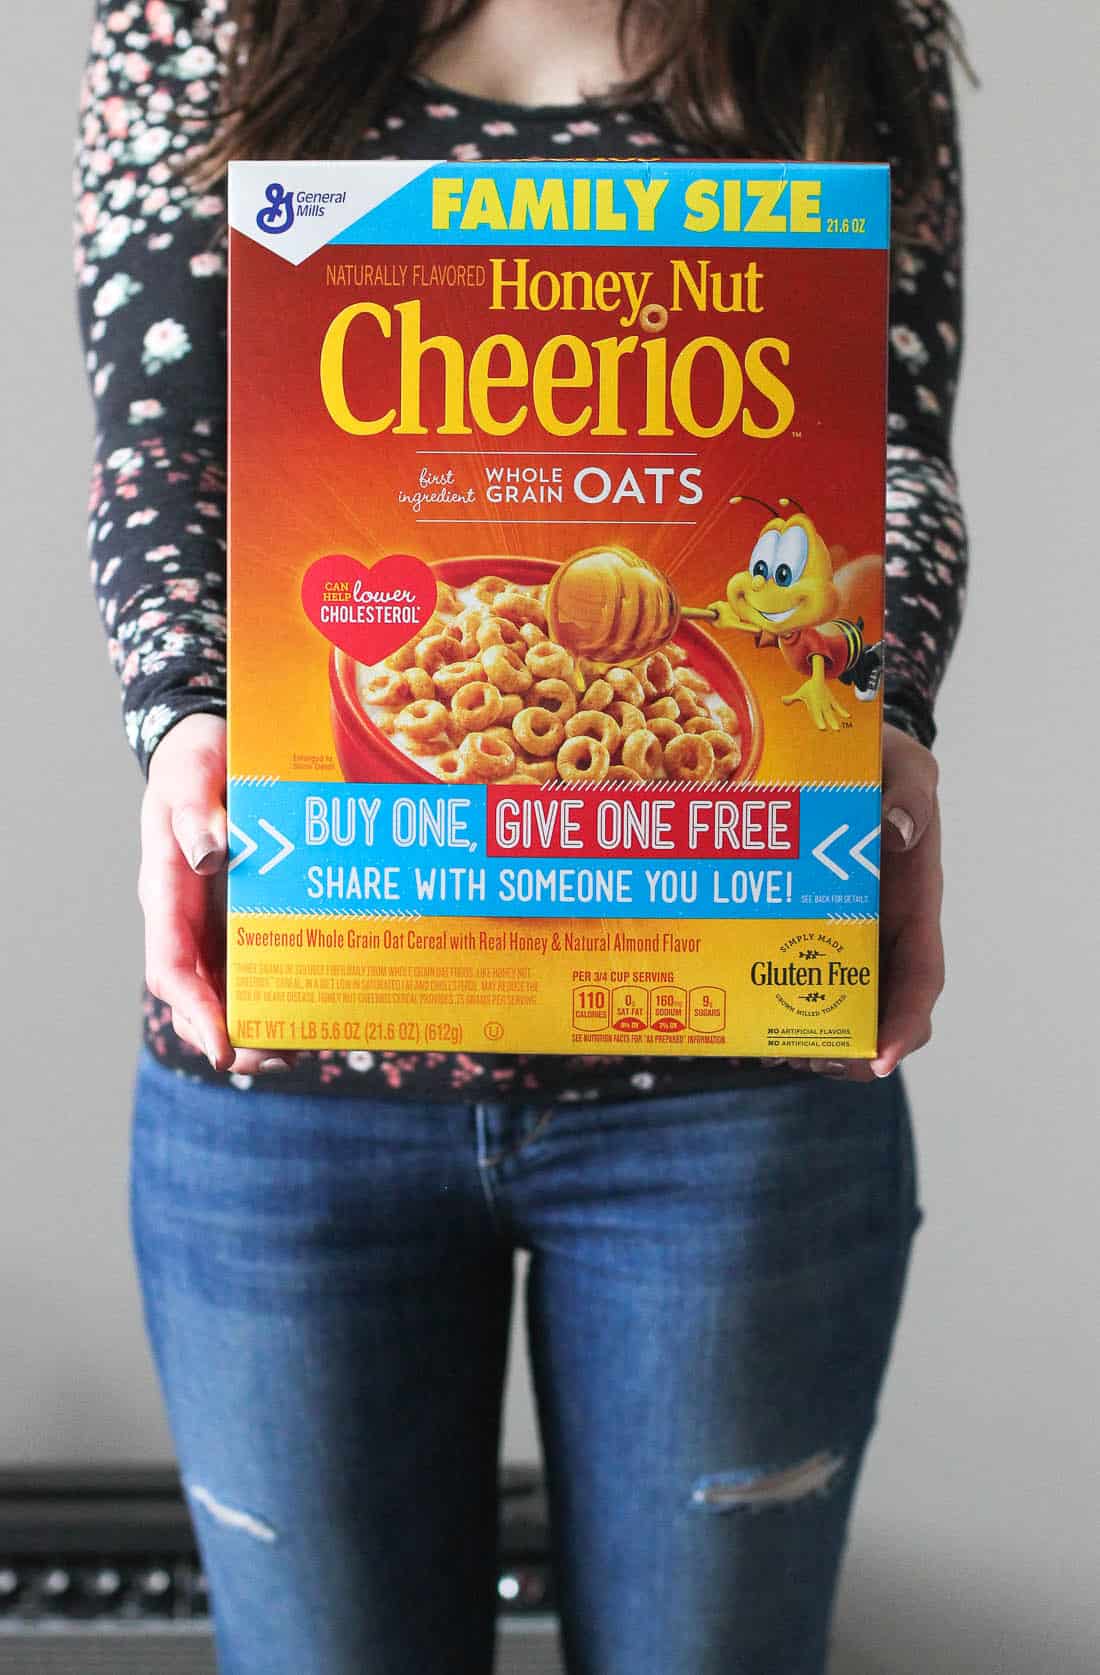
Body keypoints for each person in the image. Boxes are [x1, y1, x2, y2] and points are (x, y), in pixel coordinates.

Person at [74, 0, 967, 1669]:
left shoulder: (840, 24)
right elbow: (168, 447)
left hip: (725, 1076)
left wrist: (885, 715)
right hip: (301, 1054)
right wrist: (187, 724)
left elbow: (885, 450)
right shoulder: (202, 17)